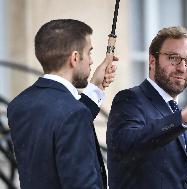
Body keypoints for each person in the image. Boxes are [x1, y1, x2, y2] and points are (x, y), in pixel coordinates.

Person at [7, 19, 118, 189]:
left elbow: (58, 126)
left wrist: (96, 87)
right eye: (89, 53)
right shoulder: (73, 113)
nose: (91, 61)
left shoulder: (19, 105)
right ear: (74, 58)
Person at [106, 26, 187, 189]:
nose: (182, 67)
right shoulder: (130, 99)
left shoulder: (178, 111)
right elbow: (126, 144)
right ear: (152, 61)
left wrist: (181, 118)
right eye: (173, 58)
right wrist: (180, 119)